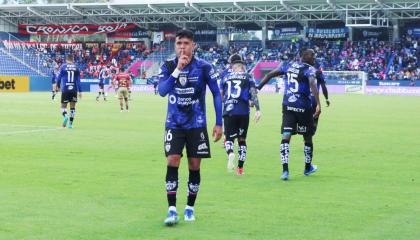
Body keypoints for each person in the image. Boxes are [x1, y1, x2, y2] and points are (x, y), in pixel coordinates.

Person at [158, 29, 223, 226]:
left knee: (194, 165)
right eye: (179, 43)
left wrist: (219, 122)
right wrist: (178, 69)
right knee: (172, 160)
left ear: (193, 45)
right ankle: (171, 209)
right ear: (175, 46)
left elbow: (216, 94)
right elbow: (162, 91)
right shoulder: (168, 66)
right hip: (174, 124)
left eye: (186, 43)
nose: (182, 47)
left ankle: (189, 207)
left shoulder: (204, 67)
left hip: (197, 124)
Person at [257, 49, 321, 180]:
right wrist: (318, 103)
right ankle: (307, 168)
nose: (314, 57)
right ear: (304, 56)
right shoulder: (309, 69)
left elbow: (270, 74)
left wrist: (258, 88)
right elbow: (313, 83)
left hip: (288, 106)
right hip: (303, 107)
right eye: (312, 55)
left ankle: (285, 171)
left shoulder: (289, 66)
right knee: (307, 138)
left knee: (286, 136)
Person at [220, 54, 261, 175]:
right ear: (242, 66)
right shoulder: (248, 77)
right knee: (242, 140)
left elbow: (222, 96)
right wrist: (257, 109)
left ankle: (230, 153)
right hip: (243, 111)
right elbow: (253, 94)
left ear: (233, 66)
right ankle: (240, 169)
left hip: (229, 111)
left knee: (228, 138)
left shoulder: (226, 77)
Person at [55, 55, 82, 129]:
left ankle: (65, 116)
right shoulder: (76, 67)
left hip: (65, 89)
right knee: (72, 107)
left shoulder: (63, 67)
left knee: (63, 106)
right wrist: (80, 91)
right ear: (73, 59)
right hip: (74, 90)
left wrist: (58, 86)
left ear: (66, 60)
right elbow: (78, 81)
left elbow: (59, 78)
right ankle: (70, 124)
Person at [311, 67, 330, 134]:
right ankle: (311, 135)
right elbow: (323, 87)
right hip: (314, 100)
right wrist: (326, 99)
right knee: (315, 118)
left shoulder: (304, 70)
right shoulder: (318, 73)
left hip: (303, 99)